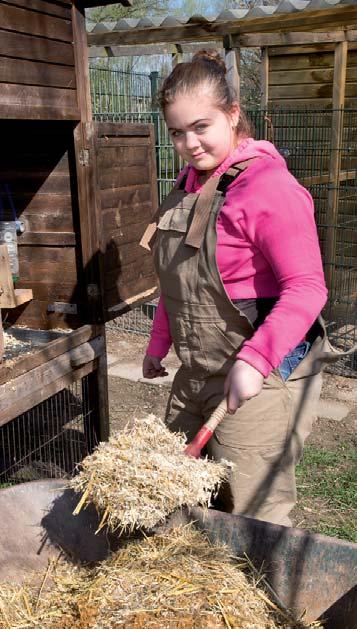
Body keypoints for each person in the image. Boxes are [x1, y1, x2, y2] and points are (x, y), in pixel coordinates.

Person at [140, 50, 336, 527]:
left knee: (251, 510)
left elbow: (308, 287)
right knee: (178, 489)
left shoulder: (268, 187)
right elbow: (177, 278)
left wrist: (254, 360)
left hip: (260, 374)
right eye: (177, 132)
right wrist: (158, 344)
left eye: (201, 127)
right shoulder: (188, 186)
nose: (189, 143)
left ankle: (260, 595)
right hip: (196, 369)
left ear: (232, 115)